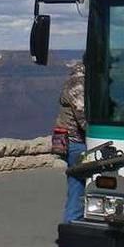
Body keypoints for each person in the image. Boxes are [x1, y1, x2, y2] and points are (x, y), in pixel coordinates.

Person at [54, 60, 87, 223]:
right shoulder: (78, 86)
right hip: (77, 142)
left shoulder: (70, 83)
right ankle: (72, 224)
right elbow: (83, 119)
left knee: (76, 185)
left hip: (69, 141)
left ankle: (73, 222)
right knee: (78, 187)